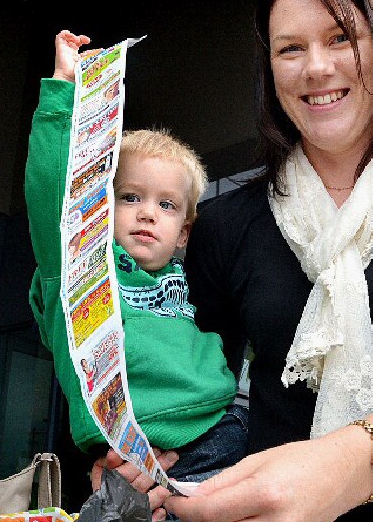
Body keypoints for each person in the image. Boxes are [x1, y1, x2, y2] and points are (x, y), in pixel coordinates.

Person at [93, 0, 373, 520]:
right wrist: (157, 450)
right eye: (289, 49)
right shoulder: (227, 224)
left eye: (342, 38)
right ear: (270, 71)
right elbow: (201, 380)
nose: (316, 67)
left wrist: (340, 468)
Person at [26, 30, 247, 487]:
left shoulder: (185, 278)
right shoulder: (81, 271)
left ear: (184, 231)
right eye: (130, 197)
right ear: (101, 209)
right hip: (132, 441)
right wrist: (64, 91)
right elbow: (50, 195)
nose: (148, 212)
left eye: (167, 205)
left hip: (224, 425)